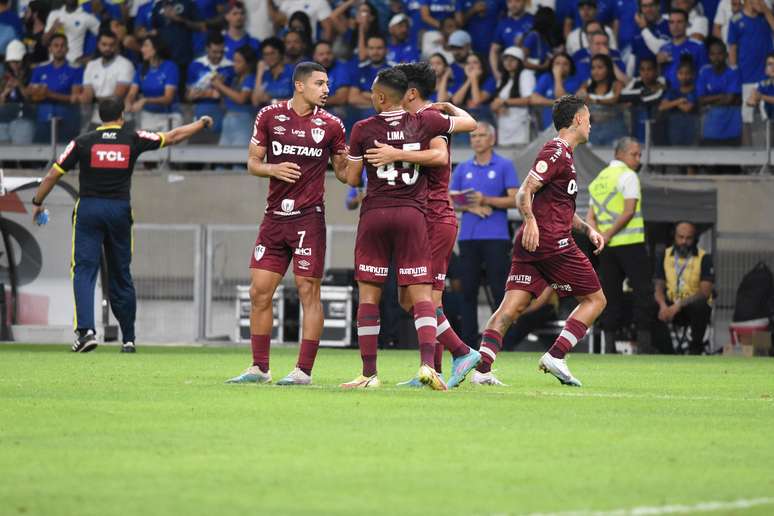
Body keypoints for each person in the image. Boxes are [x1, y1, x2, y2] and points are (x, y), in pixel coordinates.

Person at [29, 97, 213, 353]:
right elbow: (172, 136)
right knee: (121, 273)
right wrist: (201, 123)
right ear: (122, 116)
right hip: (119, 210)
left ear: (99, 117)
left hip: (89, 209)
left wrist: (38, 201)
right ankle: (128, 339)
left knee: (83, 270)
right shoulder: (132, 138)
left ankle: (86, 332)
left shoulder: (82, 142)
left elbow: (53, 174)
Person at [340, 67, 470, 390]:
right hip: (414, 215)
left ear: (381, 97)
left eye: (372, 93)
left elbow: (353, 179)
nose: (370, 97)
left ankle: (368, 374)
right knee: (421, 294)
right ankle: (429, 366)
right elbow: (468, 126)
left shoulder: (362, 128)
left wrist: (338, 158)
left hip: (376, 214)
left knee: (369, 294)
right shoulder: (426, 121)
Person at [226, 62, 348, 386]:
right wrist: (273, 169)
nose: (326, 89)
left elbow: (346, 173)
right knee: (259, 292)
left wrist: (362, 157)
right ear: (299, 85)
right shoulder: (269, 116)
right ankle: (259, 368)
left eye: (327, 84)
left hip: (309, 217)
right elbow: (253, 162)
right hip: (274, 217)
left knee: (309, 291)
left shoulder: (333, 125)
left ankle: (303, 371)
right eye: (320, 83)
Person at [472, 95, 606, 387]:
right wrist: (530, 220)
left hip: (533, 244)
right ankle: (557, 355)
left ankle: (482, 370)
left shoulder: (565, 156)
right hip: (552, 243)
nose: (591, 126)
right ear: (578, 120)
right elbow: (524, 192)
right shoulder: (556, 151)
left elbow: (560, 209)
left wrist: (587, 230)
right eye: (589, 119)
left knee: (510, 309)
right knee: (595, 300)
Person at [449, 122, 519, 354]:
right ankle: (468, 344)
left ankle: (500, 341)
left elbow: (514, 200)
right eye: (473, 136)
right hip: (468, 237)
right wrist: (472, 207)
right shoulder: (462, 168)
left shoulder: (504, 165)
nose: (476, 140)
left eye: (481, 136)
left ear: (492, 138)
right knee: (467, 291)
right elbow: (450, 200)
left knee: (499, 291)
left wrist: (486, 200)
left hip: (496, 237)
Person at [587, 137, 654, 353]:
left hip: (607, 248)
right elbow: (629, 211)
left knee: (609, 295)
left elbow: (590, 217)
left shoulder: (598, 180)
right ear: (620, 154)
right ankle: (644, 345)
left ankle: (609, 346)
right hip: (630, 243)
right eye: (635, 154)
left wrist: (599, 237)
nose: (638, 159)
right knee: (643, 292)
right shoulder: (628, 176)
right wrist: (607, 235)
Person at [654, 221, 714, 355]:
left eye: (688, 238)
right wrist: (663, 305)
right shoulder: (664, 255)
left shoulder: (705, 258)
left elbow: (705, 292)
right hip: (669, 305)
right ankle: (666, 352)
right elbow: (658, 285)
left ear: (695, 239)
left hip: (691, 305)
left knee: (702, 305)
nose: (684, 241)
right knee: (650, 306)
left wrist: (679, 305)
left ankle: (695, 349)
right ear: (674, 237)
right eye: (680, 237)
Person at [728, 0, 774, 140]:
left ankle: (770, 153)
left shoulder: (765, 16)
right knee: (747, 118)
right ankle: (747, 157)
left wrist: (766, 11)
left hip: (768, 77)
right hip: (747, 76)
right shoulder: (736, 20)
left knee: (768, 118)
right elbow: (732, 48)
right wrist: (735, 73)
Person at [27, 34, 83, 143]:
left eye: (62, 46)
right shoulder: (39, 68)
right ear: (50, 49)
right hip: (42, 119)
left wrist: (49, 94)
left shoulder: (76, 69)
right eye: (56, 45)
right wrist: (35, 92)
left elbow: (74, 98)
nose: (59, 48)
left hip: (67, 119)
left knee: (65, 156)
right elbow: (30, 92)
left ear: (67, 49)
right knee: (39, 153)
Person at [124, 35, 180, 133]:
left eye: (146, 46)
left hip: (169, 117)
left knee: (170, 148)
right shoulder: (141, 69)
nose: (142, 50)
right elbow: (132, 93)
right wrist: (128, 102)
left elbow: (168, 98)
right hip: (147, 116)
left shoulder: (170, 67)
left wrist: (145, 100)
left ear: (156, 48)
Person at [80, 31, 135, 129]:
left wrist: (95, 99)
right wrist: (93, 99)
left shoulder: (126, 64)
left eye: (111, 45)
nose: (108, 48)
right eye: (104, 44)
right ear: (98, 45)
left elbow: (116, 98)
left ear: (116, 45)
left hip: (120, 121)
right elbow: (87, 97)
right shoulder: (91, 65)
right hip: (96, 120)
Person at [185, 32, 233, 137]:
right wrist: (211, 94)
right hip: (198, 114)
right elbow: (189, 95)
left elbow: (229, 95)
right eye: (215, 52)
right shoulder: (196, 65)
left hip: (222, 113)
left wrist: (201, 93)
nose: (219, 55)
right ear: (207, 49)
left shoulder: (231, 67)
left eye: (221, 52)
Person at [698, 39, 742, 151]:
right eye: (712, 54)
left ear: (726, 55)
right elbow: (700, 100)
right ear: (708, 56)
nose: (716, 57)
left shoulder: (733, 74)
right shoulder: (704, 72)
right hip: (710, 128)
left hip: (730, 127)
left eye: (719, 54)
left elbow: (729, 99)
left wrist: (709, 101)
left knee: (731, 166)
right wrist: (719, 96)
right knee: (710, 164)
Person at [578, 54, 626, 146]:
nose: (596, 71)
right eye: (593, 68)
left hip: (614, 130)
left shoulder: (617, 84)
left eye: (600, 67)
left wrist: (593, 100)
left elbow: (614, 99)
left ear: (608, 69)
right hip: (593, 131)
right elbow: (578, 98)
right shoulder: (587, 84)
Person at [213, 45, 256, 147]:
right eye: (234, 61)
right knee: (221, 159)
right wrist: (219, 86)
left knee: (238, 158)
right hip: (228, 119)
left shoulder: (250, 78)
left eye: (238, 61)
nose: (234, 64)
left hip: (243, 120)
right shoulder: (235, 79)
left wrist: (220, 85)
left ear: (248, 64)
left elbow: (241, 99)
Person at [491, 46, 535, 146]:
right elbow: (496, 102)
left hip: (520, 126)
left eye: (512, 60)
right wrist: (495, 107)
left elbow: (529, 99)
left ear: (519, 62)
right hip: (503, 126)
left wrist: (504, 102)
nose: (508, 62)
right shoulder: (502, 79)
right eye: (506, 59)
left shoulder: (526, 74)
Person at [530, 52, 582, 130]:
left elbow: (562, 98)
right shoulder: (546, 78)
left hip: (568, 128)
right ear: (552, 65)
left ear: (570, 67)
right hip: (547, 126)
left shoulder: (574, 81)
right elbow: (533, 99)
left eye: (565, 64)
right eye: (557, 63)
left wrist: (557, 77)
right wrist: (555, 103)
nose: (561, 67)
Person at [658, 9, 707, 88]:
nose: (675, 26)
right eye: (672, 22)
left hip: (690, 95)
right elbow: (660, 77)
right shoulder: (663, 48)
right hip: (669, 96)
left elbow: (704, 74)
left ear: (687, 24)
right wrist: (659, 64)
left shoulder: (698, 46)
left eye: (679, 22)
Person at [658, 58, 700, 148]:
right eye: (681, 73)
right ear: (677, 75)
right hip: (675, 129)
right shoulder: (673, 92)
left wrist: (672, 103)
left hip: (692, 128)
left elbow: (687, 108)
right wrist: (679, 101)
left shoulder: (696, 91)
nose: (684, 77)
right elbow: (661, 107)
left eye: (687, 73)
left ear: (693, 75)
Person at [43, 0, 100, 64]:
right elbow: (44, 42)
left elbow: (106, 35)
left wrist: (91, 57)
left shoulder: (86, 17)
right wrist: (52, 29)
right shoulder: (54, 15)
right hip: (54, 64)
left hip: (75, 64)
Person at [489, 0, 533, 82]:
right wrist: (496, 72)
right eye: (509, 2)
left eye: (517, 1)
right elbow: (494, 50)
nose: (513, 5)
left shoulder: (533, 20)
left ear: (525, 2)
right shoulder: (503, 23)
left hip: (529, 71)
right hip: (509, 72)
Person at [0, 39, 34, 144]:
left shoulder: (31, 75)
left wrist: (20, 85)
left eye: (17, 62)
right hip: (4, 121)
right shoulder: (5, 78)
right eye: (12, 62)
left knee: (21, 154)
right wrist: (5, 92)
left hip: (24, 120)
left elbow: (32, 101)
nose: (14, 65)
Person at [250, 37, 294, 107]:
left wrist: (272, 101)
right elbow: (255, 102)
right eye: (266, 54)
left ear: (281, 53)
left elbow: (300, 101)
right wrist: (259, 73)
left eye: (272, 53)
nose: (269, 57)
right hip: (269, 115)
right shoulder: (264, 75)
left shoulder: (293, 72)